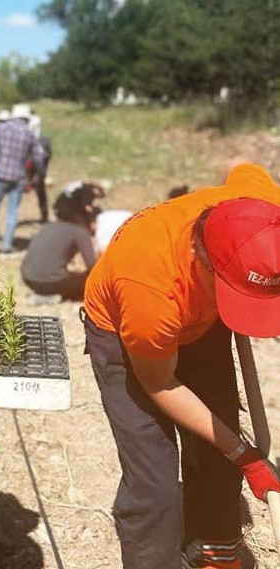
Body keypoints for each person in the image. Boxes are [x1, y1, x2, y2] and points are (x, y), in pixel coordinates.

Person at [82, 162, 280, 569]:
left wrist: (233, 453)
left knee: (218, 451)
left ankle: (215, 556)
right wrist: (243, 452)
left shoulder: (262, 211)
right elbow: (160, 384)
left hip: (200, 317)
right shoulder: (148, 284)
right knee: (154, 483)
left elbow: (245, 169)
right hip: (128, 336)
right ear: (202, 261)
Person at [0, 103, 43, 253]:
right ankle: (7, 246)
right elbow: (38, 157)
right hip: (19, 178)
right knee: (12, 211)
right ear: (26, 119)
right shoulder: (29, 134)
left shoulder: (1, 128)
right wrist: (38, 174)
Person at [20, 207, 97, 305]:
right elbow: (93, 267)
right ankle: (53, 296)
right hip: (52, 282)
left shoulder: (47, 227)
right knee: (91, 282)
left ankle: (45, 295)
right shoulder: (79, 231)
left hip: (28, 279)